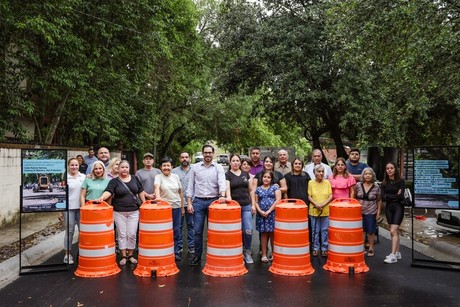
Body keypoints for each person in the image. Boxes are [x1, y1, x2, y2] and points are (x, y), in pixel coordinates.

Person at [99, 160, 146, 265]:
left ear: (129, 169)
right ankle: (124, 256)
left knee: (132, 234)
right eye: (122, 167)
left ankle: (131, 255)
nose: (124, 169)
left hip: (134, 211)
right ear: (118, 169)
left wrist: (144, 203)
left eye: (126, 167)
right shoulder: (114, 181)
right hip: (119, 212)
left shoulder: (135, 178)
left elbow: (140, 191)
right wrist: (101, 198)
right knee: (122, 234)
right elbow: (108, 191)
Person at [187, 144, 226, 266]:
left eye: (210, 152)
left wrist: (223, 196)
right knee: (197, 231)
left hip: (214, 201)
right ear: (203, 153)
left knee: (215, 231)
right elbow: (190, 185)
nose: (208, 154)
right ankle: (197, 256)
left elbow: (222, 182)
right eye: (206, 152)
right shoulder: (195, 167)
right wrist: (189, 203)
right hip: (198, 202)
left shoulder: (218, 167)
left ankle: (216, 256)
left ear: (213, 154)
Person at [225, 154, 256, 264]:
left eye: (237, 160)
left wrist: (253, 204)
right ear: (230, 162)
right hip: (233, 208)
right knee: (234, 232)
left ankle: (247, 252)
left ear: (240, 162)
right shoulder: (227, 175)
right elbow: (227, 189)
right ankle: (237, 253)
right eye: (233, 160)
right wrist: (228, 196)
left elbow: (251, 190)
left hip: (246, 206)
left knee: (248, 230)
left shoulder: (245, 174)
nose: (235, 163)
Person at [155, 157, 184, 261]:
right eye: (164, 165)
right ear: (161, 167)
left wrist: (182, 208)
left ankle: (175, 252)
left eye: (168, 165)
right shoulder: (158, 177)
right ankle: (164, 252)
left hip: (176, 207)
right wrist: (158, 198)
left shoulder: (176, 176)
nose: (166, 167)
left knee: (176, 231)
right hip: (164, 209)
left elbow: (180, 193)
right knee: (163, 231)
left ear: (172, 167)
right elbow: (156, 188)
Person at [60, 158, 86, 264]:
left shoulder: (83, 177)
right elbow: (61, 196)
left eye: (76, 165)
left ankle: (82, 253)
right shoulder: (65, 178)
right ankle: (67, 254)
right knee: (69, 232)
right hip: (69, 208)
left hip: (81, 208)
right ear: (68, 166)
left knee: (83, 232)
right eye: (72, 165)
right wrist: (60, 211)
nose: (74, 167)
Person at [381, 162, 405, 264]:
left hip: (398, 207)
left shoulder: (401, 181)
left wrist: (389, 195)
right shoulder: (384, 183)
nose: (389, 170)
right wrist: (394, 195)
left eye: (391, 168)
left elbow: (401, 196)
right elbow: (383, 197)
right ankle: (398, 252)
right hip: (389, 208)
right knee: (394, 232)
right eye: (387, 168)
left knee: (393, 230)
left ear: (395, 169)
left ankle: (393, 255)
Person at [255, 170, 281, 262]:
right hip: (261, 214)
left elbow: (278, 199)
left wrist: (269, 211)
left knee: (273, 233)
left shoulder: (275, 188)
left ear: (271, 179)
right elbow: (256, 202)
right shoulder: (258, 189)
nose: (266, 179)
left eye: (268, 177)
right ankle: (264, 254)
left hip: (272, 213)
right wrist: (260, 211)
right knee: (264, 234)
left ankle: (274, 254)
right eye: (265, 177)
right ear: (262, 178)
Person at [355, 167, 381, 257]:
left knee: (371, 230)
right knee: (361, 230)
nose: (368, 175)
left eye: (369, 174)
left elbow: (379, 200)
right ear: (363, 175)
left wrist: (378, 212)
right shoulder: (358, 185)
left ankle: (371, 248)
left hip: (371, 211)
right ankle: (361, 248)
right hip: (359, 211)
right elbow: (354, 197)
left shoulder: (376, 187)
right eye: (366, 174)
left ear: (372, 175)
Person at [172, 152, 195, 255]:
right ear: (179, 159)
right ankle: (179, 246)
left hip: (192, 202)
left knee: (191, 225)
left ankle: (191, 246)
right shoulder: (174, 172)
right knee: (178, 226)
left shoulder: (195, 170)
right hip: (178, 203)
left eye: (186, 157)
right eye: (182, 157)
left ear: (189, 158)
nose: (184, 159)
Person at [308, 164, 332, 257]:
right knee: (315, 230)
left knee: (325, 230)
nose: (321, 173)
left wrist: (322, 204)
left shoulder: (327, 182)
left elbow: (330, 196)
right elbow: (309, 196)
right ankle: (315, 248)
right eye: (319, 171)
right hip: (314, 210)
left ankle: (324, 248)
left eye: (322, 171)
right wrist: (316, 204)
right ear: (314, 173)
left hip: (325, 210)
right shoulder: (310, 182)